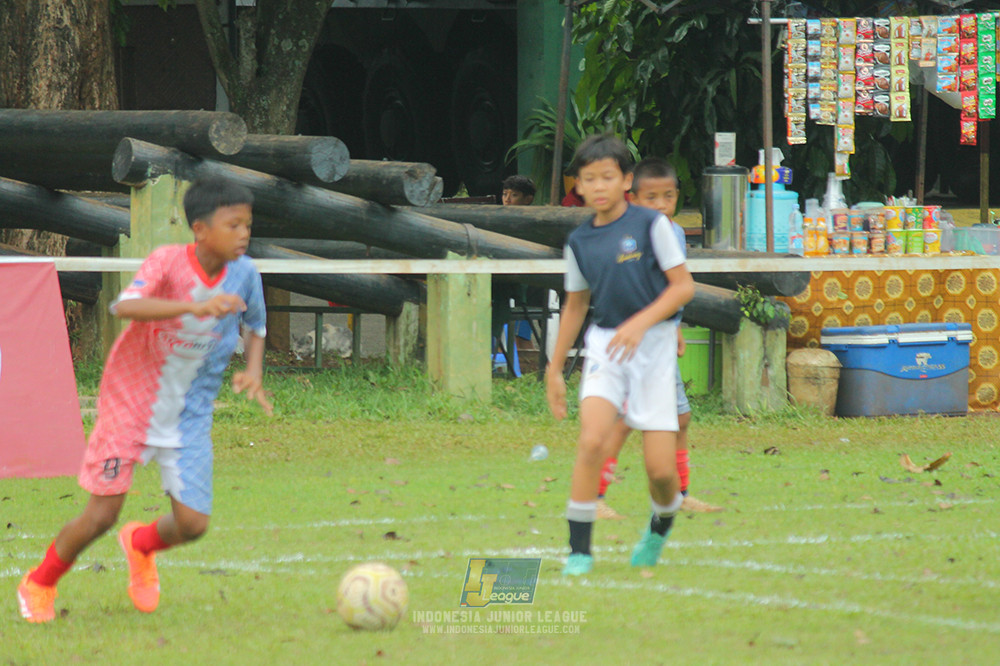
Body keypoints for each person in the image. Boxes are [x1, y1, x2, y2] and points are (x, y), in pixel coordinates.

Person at [17, 177, 272, 623]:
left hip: (189, 415)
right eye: (233, 225)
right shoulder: (167, 263)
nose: (244, 234)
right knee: (101, 515)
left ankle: (141, 545)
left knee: (193, 525)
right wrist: (191, 308)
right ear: (200, 229)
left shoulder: (246, 273)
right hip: (130, 403)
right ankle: (40, 581)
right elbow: (125, 307)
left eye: (247, 225)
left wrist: (253, 370)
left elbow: (257, 326)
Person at [545, 135, 695, 576]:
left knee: (661, 472)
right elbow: (575, 305)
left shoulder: (653, 225)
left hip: (654, 351)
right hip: (606, 348)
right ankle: (579, 552)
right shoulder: (578, 241)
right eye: (589, 179)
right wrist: (554, 370)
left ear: (626, 180)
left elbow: (682, 287)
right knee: (591, 441)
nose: (599, 186)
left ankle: (658, 528)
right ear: (579, 186)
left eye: (608, 176)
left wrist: (640, 323)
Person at [595, 157, 722, 520]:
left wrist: (675, 327)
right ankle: (594, 495)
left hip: (661, 340)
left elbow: (672, 286)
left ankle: (679, 494)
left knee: (680, 419)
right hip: (633, 341)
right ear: (632, 198)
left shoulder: (676, 233)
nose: (661, 205)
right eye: (651, 198)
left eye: (668, 197)